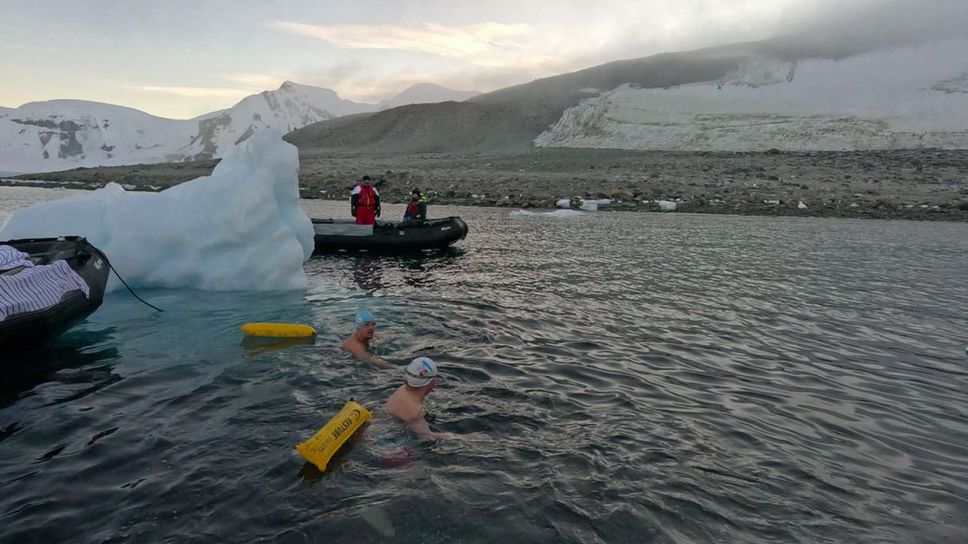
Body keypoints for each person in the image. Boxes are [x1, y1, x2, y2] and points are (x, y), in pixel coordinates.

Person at [386, 357, 489, 442]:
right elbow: (427, 437)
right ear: (431, 381)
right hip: (389, 445)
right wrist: (466, 438)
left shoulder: (402, 389)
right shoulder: (415, 411)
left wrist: (465, 399)